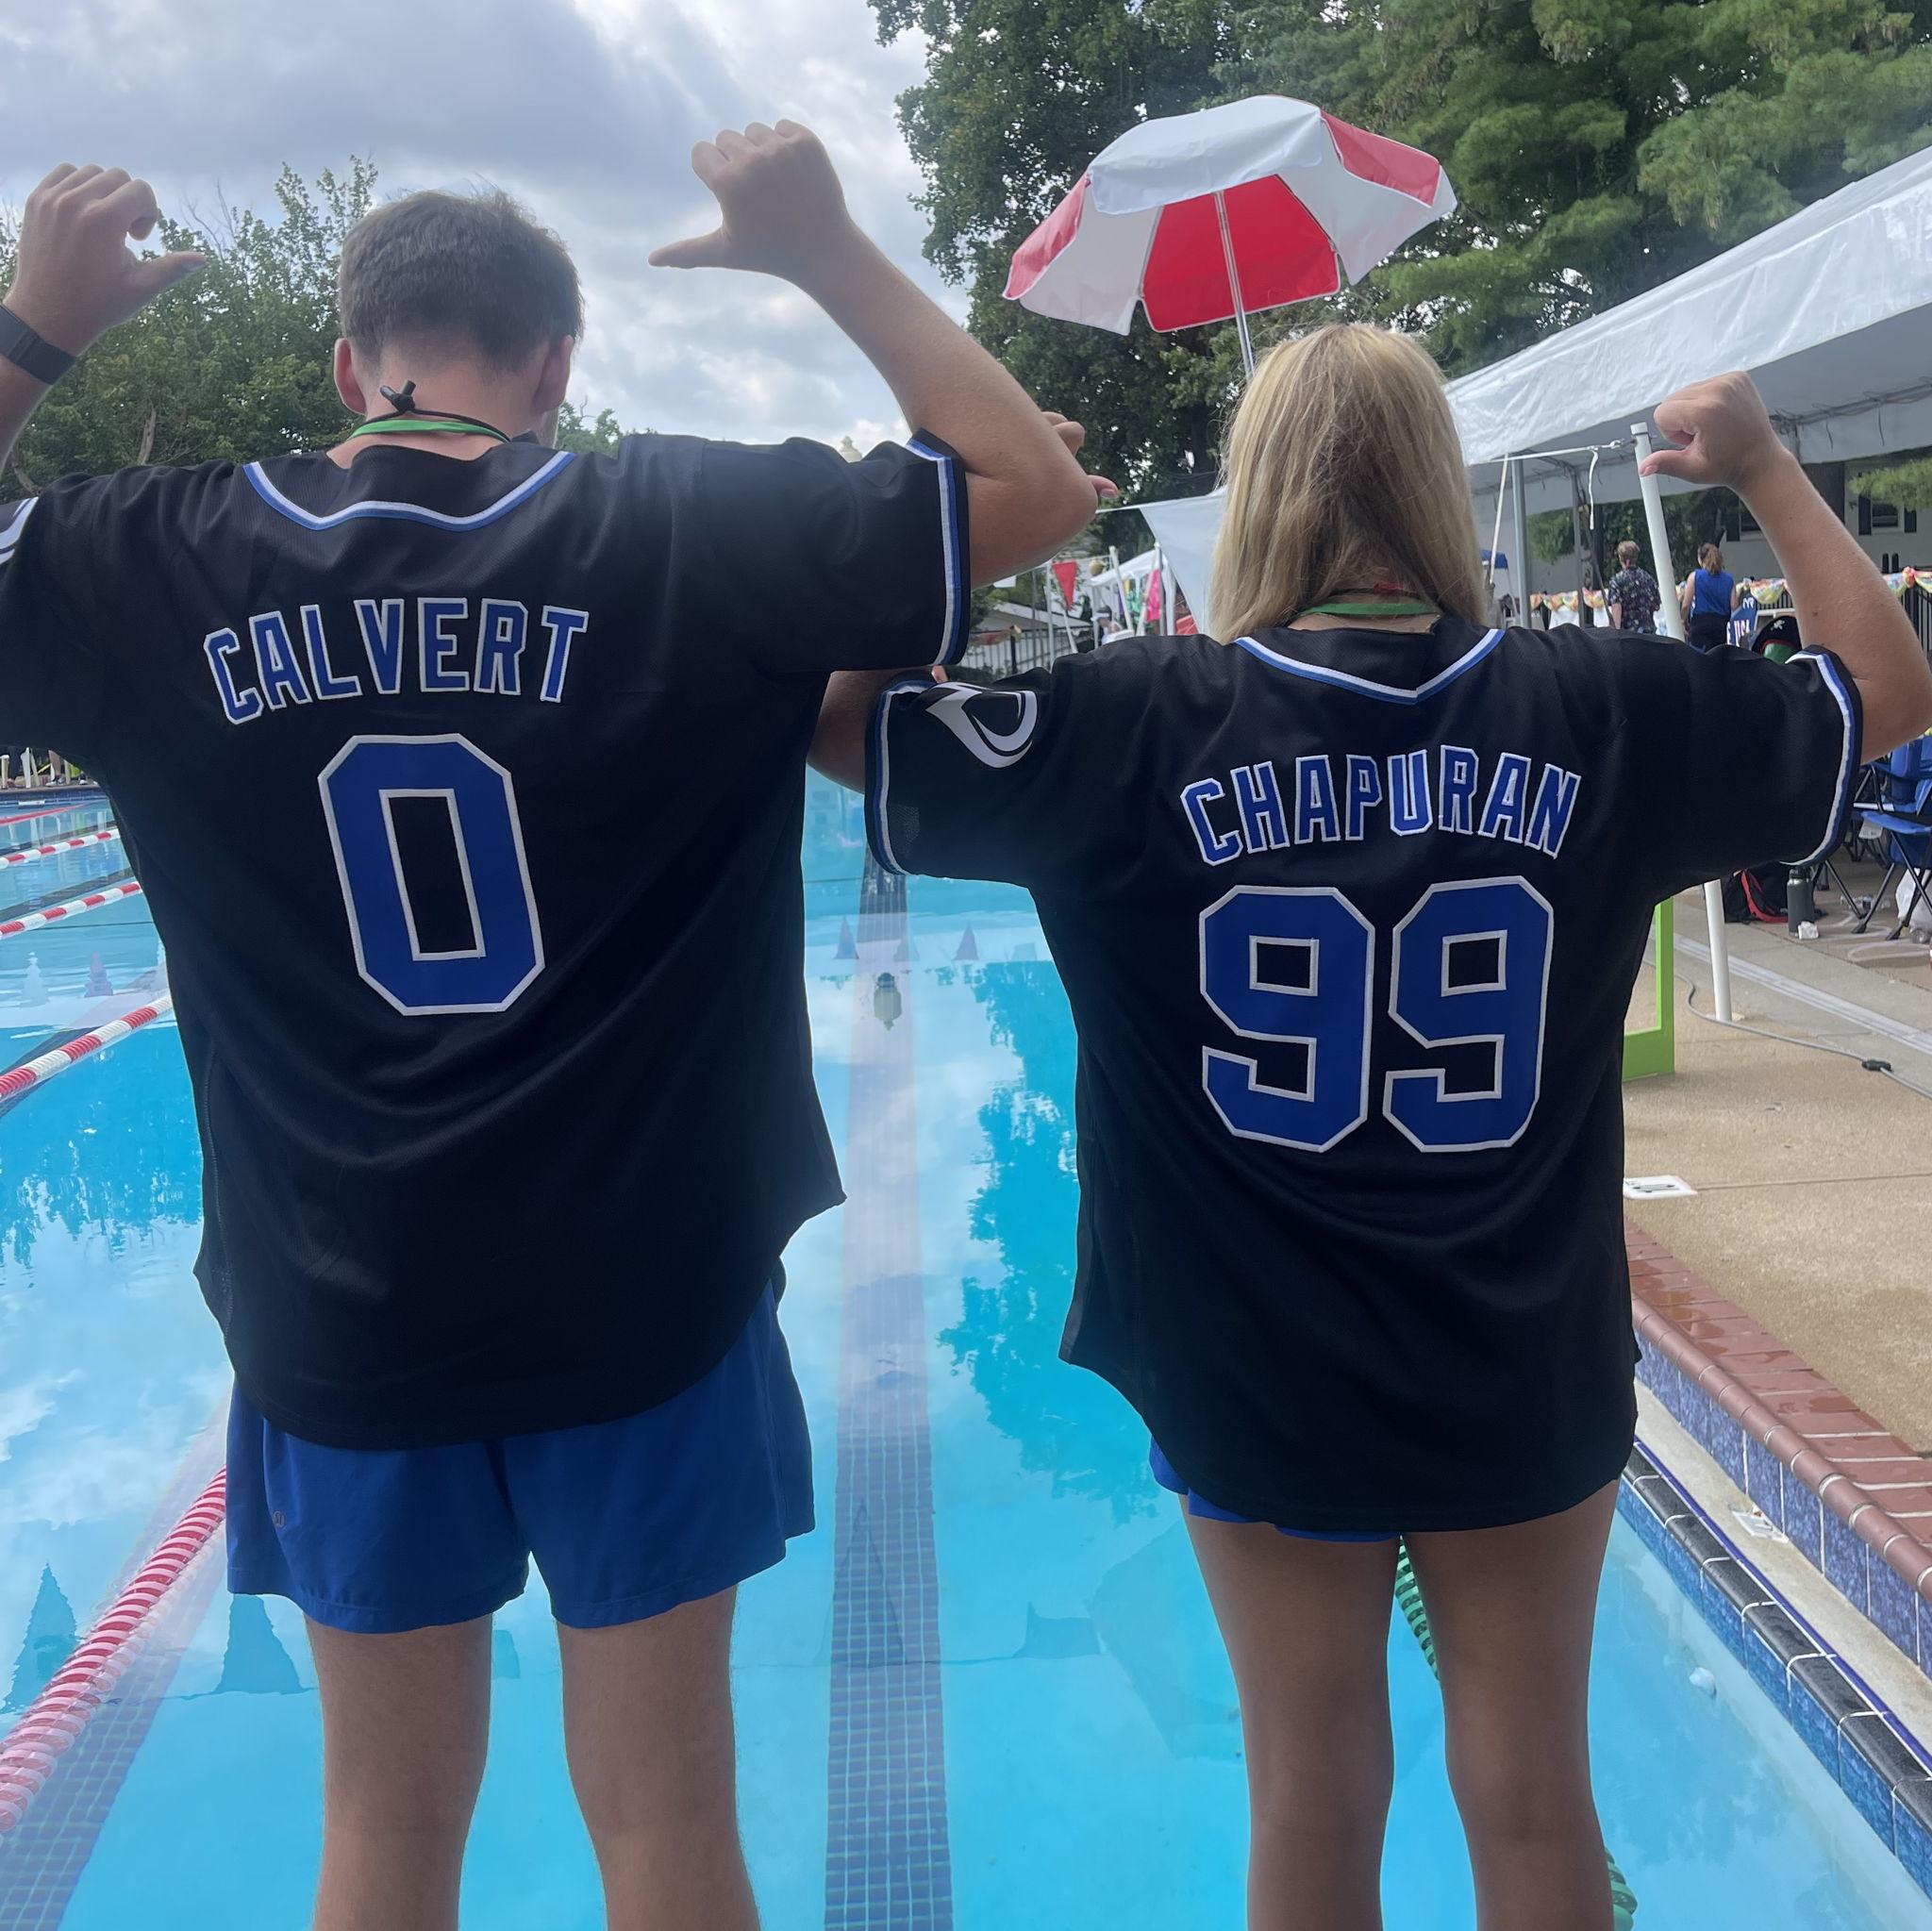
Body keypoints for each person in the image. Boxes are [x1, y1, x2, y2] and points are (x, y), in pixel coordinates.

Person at [0, 131, 1101, 1931]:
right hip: (647, 1302)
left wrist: (34, 328)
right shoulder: (678, 525)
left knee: (383, 1828)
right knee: (664, 1823)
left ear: (346, 362)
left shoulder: (154, 556)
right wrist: (820, 248)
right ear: (554, 367)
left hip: (340, 1311)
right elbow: (1029, 483)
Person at [810, 329, 1932, 1931]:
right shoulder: (1602, 705)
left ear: (1255, 494)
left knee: (1309, 1790)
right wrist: (1757, 465)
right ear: (1433, 487)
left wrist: (948, 499)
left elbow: (843, 720)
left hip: (1247, 1362)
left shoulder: (1131, 721)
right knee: (1534, 1791)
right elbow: (1885, 689)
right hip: (1519, 1352)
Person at [1683, 540, 1738, 650]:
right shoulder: (1729, 579)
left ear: (1700, 559)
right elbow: (1734, 605)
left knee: (1698, 658)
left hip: (1700, 626)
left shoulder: (1695, 577)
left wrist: (1684, 622)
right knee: (1717, 658)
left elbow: (1685, 606)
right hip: (1720, 627)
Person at [1605, 540, 1661, 633]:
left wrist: (1615, 633)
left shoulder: (1617, 581)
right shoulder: (1648, 579)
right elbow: (1656, 606)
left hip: (1628, 635)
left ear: (1621, 558)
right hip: (1649, 634)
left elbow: (1616, 607)